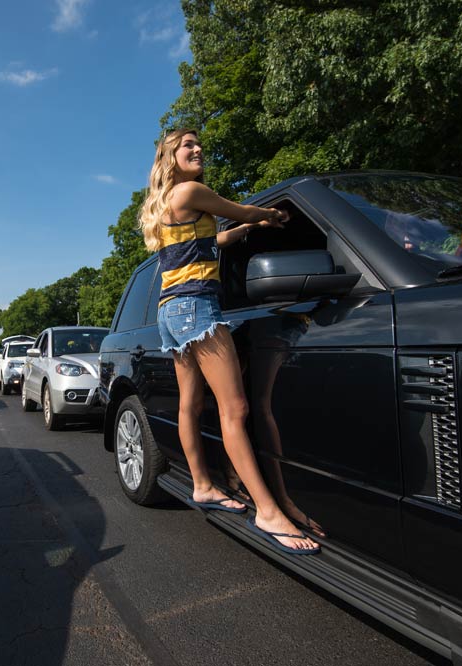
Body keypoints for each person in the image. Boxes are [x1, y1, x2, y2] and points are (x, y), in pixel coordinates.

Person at [139, 128, 320, 554]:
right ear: (170, 155)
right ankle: (268, 511)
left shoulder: (169, 203)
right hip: (196, 308)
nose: (198, 149)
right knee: (235, 409)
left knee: (190, 405)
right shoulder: (191, 192)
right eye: (188, 145)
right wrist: (268, 217)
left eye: (199, 144)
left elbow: (207, 241)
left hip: (171, 311)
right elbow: (239, 210)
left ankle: (202, 485)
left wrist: (235, 234)